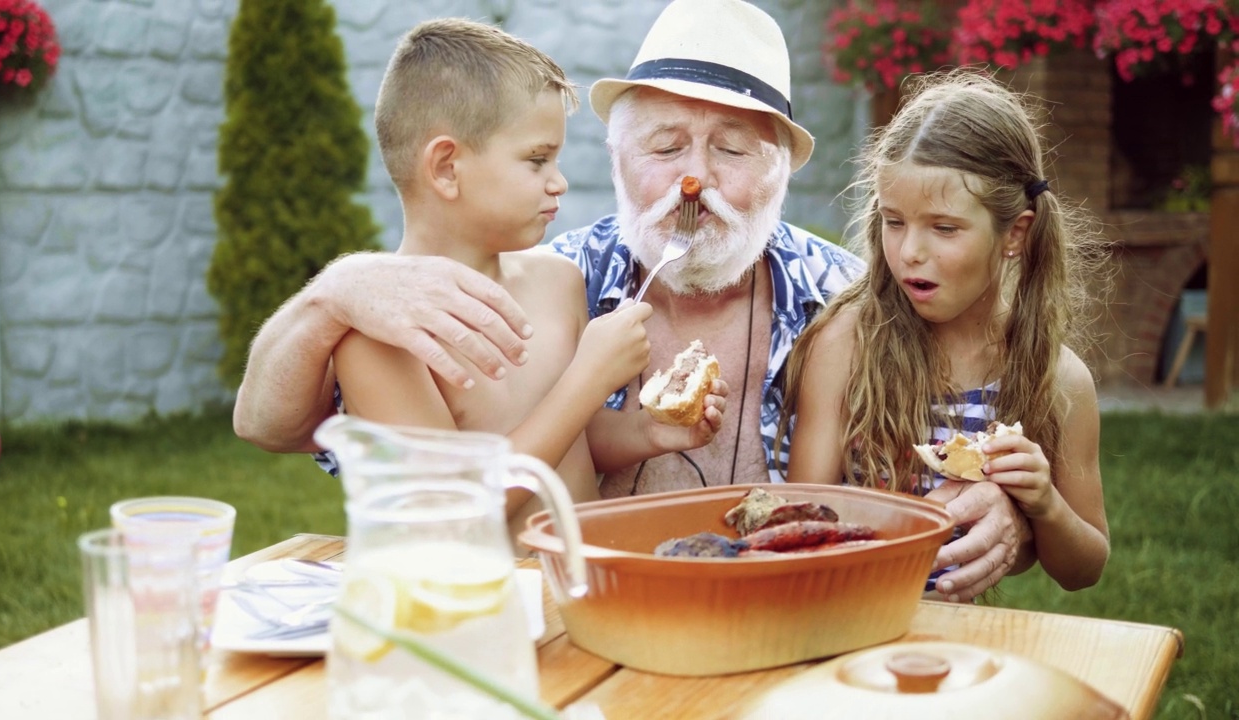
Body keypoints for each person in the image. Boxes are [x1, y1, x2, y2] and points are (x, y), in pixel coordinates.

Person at [232, 0, 1035, 602]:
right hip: (552, 618)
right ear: (617, 158)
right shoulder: (557, 277)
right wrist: (335, 292)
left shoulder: (857, 302)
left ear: (779, 175)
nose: (695, 181)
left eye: (730, 150)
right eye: (664, 146)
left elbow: (986, 421)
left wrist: (1014, 510)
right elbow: (284, 427)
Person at [330, 18, 731, 533]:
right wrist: (589, 379)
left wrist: (650, 433)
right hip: (492, 605)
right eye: (537, 160)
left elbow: (571, 444)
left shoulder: (556, 281)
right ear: (447, 168)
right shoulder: (381, 336)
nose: (558, 182)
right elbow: (449, 516)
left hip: (588, 592)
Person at [780, 70, 1110, 597]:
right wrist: (915, 520)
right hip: (842, 608)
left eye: (944, 228)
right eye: (894, 221)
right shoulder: (846, 345)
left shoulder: (1059, 377)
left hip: (958, 638)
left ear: (1014, 234)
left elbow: (1084, 568)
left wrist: (1043, 503)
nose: (911, 250)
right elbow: (802, 517)